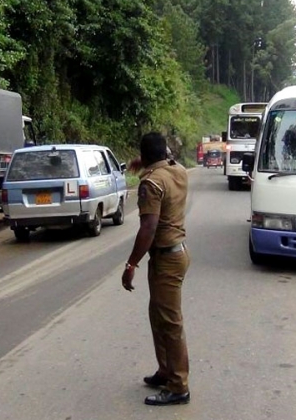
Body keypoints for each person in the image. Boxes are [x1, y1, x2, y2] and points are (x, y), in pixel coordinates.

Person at [122, 132, 191, 406]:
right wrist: (147, 160)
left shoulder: (151, 184)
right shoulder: (179, 172)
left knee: (171, 324)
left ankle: (179, 387)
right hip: (176, 255)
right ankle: (165, 370)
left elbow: (148, 228)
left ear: (145, 155)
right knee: (158, 315)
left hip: (166, 259)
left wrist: (131, 263)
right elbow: (167, 159)